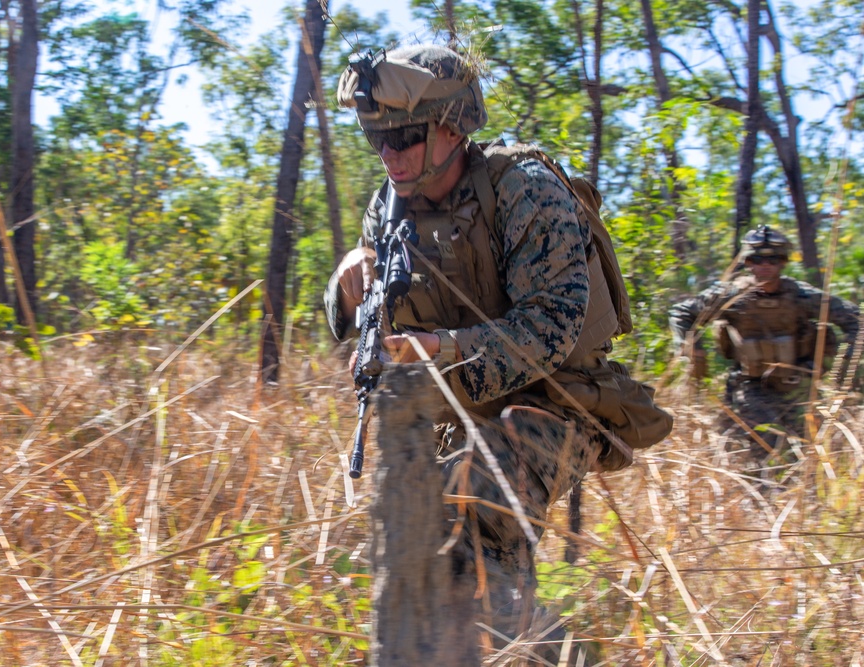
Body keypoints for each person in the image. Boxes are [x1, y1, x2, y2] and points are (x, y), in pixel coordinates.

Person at [325, 44, 670, 648]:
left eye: (403, 134)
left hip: (563, 404)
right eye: (374, 136)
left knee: (482, 504)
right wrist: (348, 284)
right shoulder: (389, 208)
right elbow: (353, 322)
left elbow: (552, 329)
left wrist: (440, 348)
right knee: (414, 552)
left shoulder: (524, 191)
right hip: (457, 420)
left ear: (453, 125)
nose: (389, 153)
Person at [670, 225, 860, 458]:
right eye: (758, 259)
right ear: (748, 262)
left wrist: (841, 367)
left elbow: (855, 321)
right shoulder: (732, 295)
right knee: (760, 448)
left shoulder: (802, 296)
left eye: (773, 259)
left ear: (783, 262)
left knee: (811, 451)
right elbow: (682, 313)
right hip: (751, 386)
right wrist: (692, 350)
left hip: (798, 385)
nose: (765, 265)